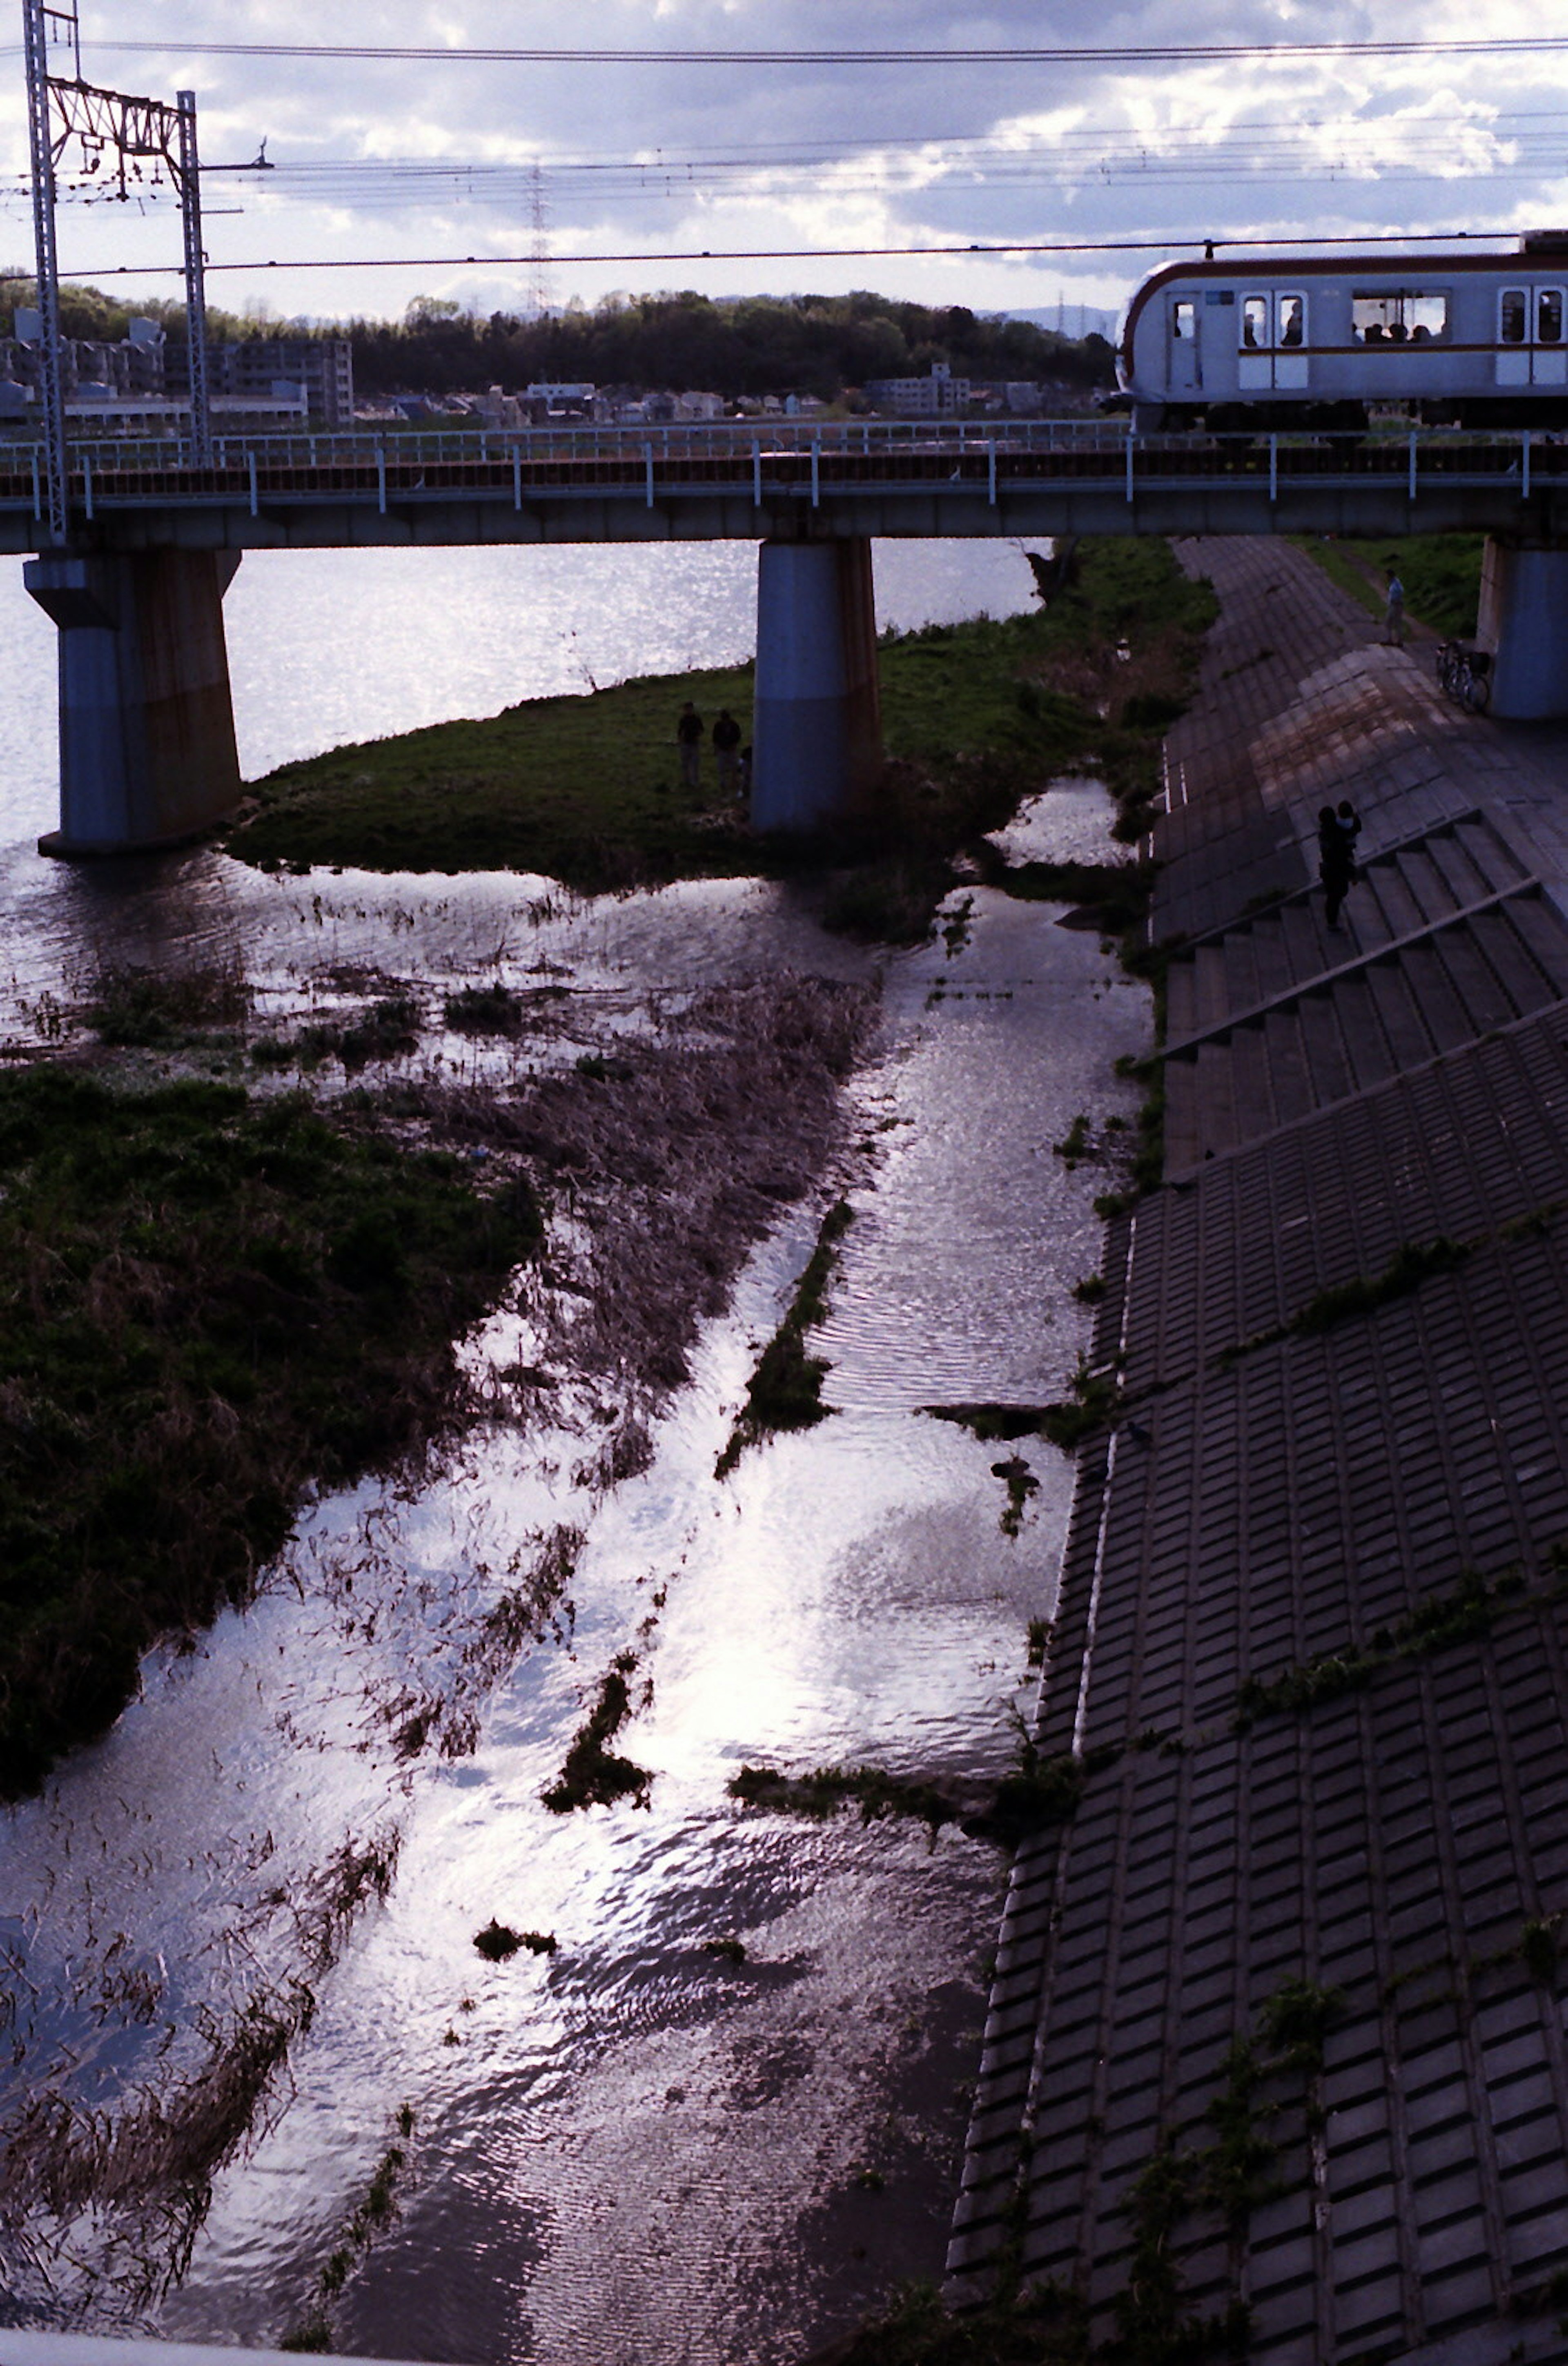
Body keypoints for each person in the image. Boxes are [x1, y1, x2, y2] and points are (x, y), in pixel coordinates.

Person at [1319, 801, 1359, 930]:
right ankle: (1332, 922)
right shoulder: (1337, 835)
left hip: (1328, 870)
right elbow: (1344, 856)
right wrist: (1352, 874)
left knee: (1333, 896)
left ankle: (1332, 920)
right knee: (1336, 895)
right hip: (1337, 871)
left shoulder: (1324, 834)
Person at [712, 708, 742, 797]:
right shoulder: (718, 726)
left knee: (734, 767)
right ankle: (723, 783)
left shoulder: (734, 725)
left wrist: (734, 745)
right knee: (722, 768)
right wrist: (717, 748)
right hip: (723, 749)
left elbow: (738, 736)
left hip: (731, 749)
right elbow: (715, 738)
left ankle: (734, 781)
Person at [676, 700, 703, 792]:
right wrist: (681, 741)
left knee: (694, 764)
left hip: (694, 743)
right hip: (686, 743)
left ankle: (695, 781)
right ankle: (687, 780)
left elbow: (701, 730)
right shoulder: (683, 720)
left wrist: (697, 735)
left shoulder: (696, 719)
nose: (688, 711)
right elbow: (680, 731)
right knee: (685, 764)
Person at [1383, 572, 1407, 647]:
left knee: (1394, 623)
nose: (1386, 578)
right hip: (1394, 605)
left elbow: (1401, 591)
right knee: (1390, 622)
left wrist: (1395, 599)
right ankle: (1392, 640)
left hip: (1396, 605)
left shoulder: (1396, 584)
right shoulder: (1394, 583)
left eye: (1387, 576)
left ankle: (1397, 641)